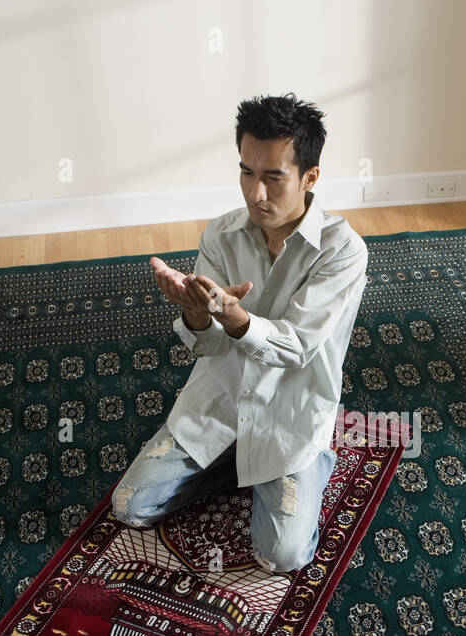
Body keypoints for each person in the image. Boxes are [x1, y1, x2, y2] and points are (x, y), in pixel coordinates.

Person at [111, 93, 369, 574]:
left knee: (282, 557)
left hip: (290, 414)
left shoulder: (343, 252)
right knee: (131, 506)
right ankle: (236, 461)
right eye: (247, 172)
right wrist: (195, 317)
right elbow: (207, 347)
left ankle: (314, 460)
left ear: (310, 178)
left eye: (273, 177)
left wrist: (238, 320)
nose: (256, 194)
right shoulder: (220, 235)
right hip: (221, 401)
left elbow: (296, 347)